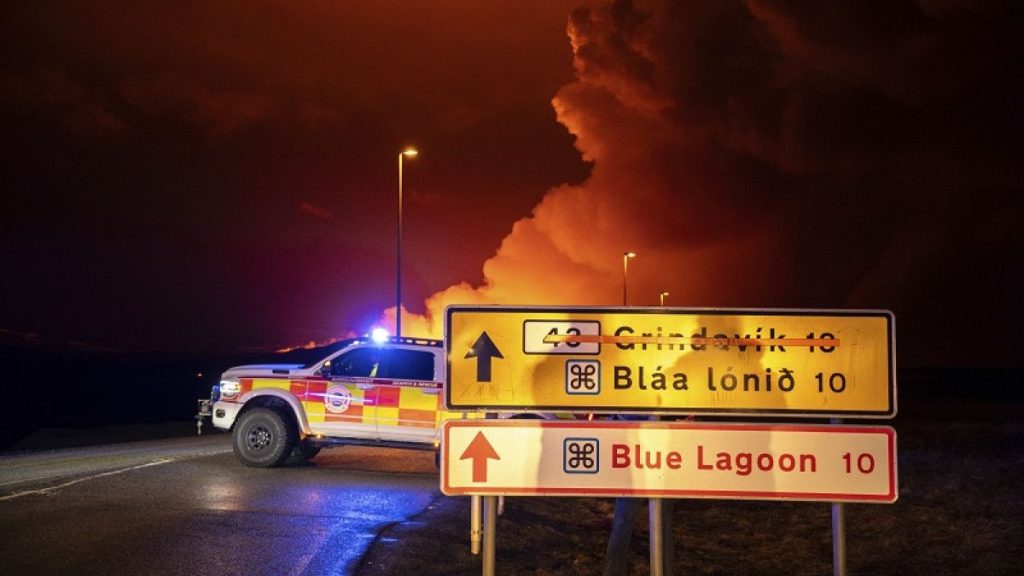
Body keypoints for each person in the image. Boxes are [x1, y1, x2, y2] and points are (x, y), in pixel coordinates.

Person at [602, 414, 674, 576]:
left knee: (624, 521)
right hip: (650, 458)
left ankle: (613, 571)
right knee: (658, 525)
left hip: (652, 458)